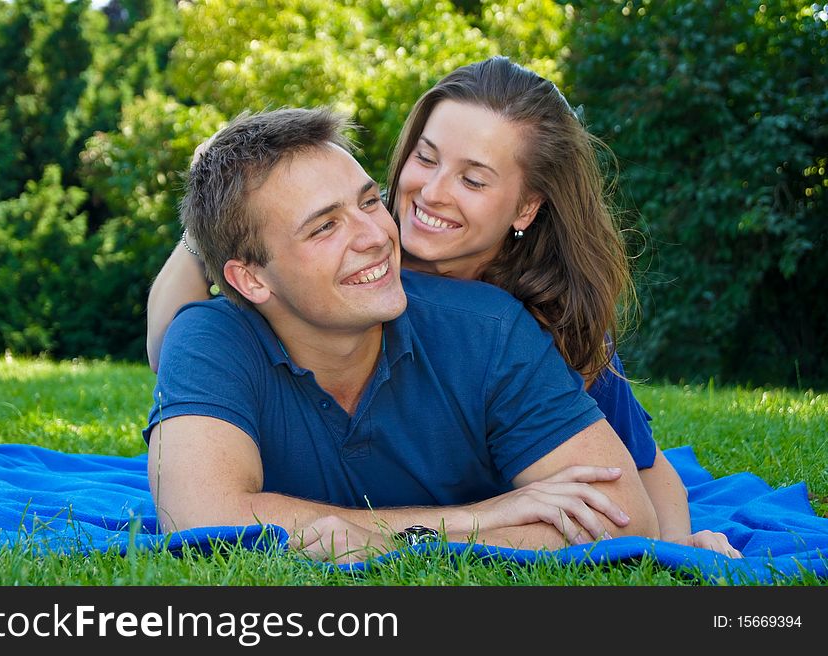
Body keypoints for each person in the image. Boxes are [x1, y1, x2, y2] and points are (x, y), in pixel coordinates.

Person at [145, 57, 738, 556]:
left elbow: (635, 482)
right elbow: (177, 352)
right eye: (424, 160)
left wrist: (674, 547)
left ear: (525, 209)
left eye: (474, 180)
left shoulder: (529, 324)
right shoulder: (309, 282)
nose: (428, 194)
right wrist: (216, 221)